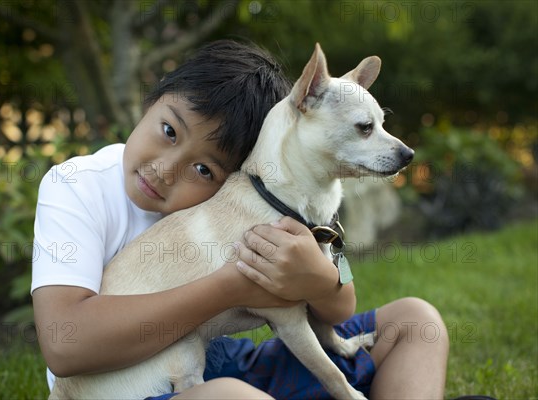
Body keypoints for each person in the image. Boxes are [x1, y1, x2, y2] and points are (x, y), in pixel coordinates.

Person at [32, 40, 449, 399]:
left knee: (416, 321)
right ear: (152, 98)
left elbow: (342, 305)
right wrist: (232, 285)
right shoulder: (76, 186)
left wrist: (317, 277)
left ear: (242, 168)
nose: (165, 170)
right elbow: (64, 346)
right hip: (128, 384)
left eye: (203, 171)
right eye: (169, 130)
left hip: (220, 360)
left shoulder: (266, 192)